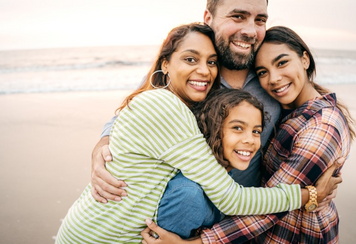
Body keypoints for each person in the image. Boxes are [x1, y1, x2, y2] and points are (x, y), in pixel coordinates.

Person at [56, 23, 328, 244]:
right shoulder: (165, 108)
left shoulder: (165, 102)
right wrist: (309, 195)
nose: (204, 71)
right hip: (97, 237)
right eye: (190, 59)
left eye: (211, 62)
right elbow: (230, 198)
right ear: (165, 65)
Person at [140, 26, 355, 244]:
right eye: (262, 72)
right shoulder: (291, 108)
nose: (274, 79)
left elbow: (272, 204)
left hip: (292, 234)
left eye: (282, 63)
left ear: (305, 60)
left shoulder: (322, 125)